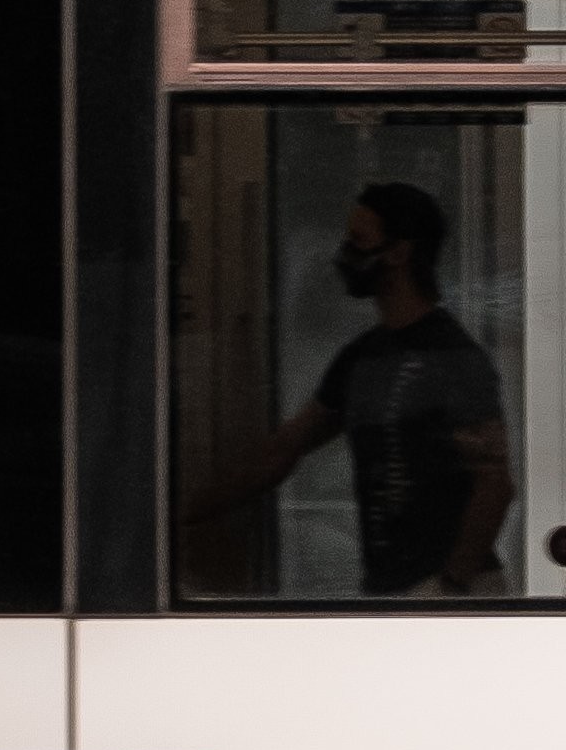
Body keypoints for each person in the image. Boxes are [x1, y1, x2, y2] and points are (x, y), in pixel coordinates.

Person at [199, 180, 515, 597]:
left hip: (448, 589)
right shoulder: (363, 357)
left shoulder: (451, 356)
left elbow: (495, 484)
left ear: (399, 252)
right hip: (399, 591)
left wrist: (451, 584)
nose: (345, 253)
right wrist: (186, 513)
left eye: (359, 240)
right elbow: (283, 450)